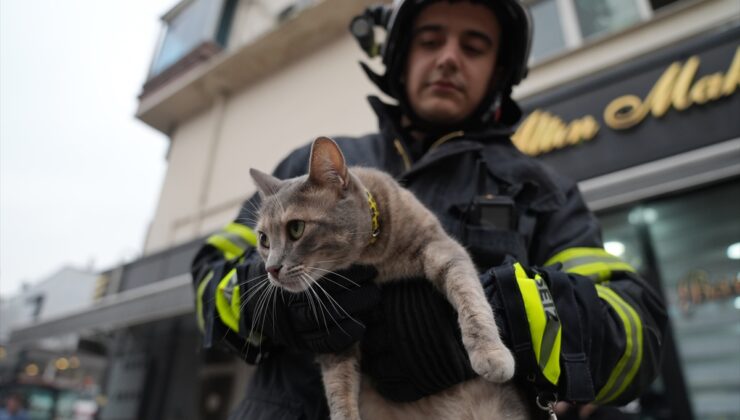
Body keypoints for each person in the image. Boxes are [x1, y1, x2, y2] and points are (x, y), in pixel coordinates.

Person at [191, 0, 667, 418]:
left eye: (474, 46)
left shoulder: (541, 191)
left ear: (500, 69)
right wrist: (270, 303)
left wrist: (499, 317)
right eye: (430, 40)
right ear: (399, 53)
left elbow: (636, 337)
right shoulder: (303, 172)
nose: (448, 58)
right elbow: (209, 276)